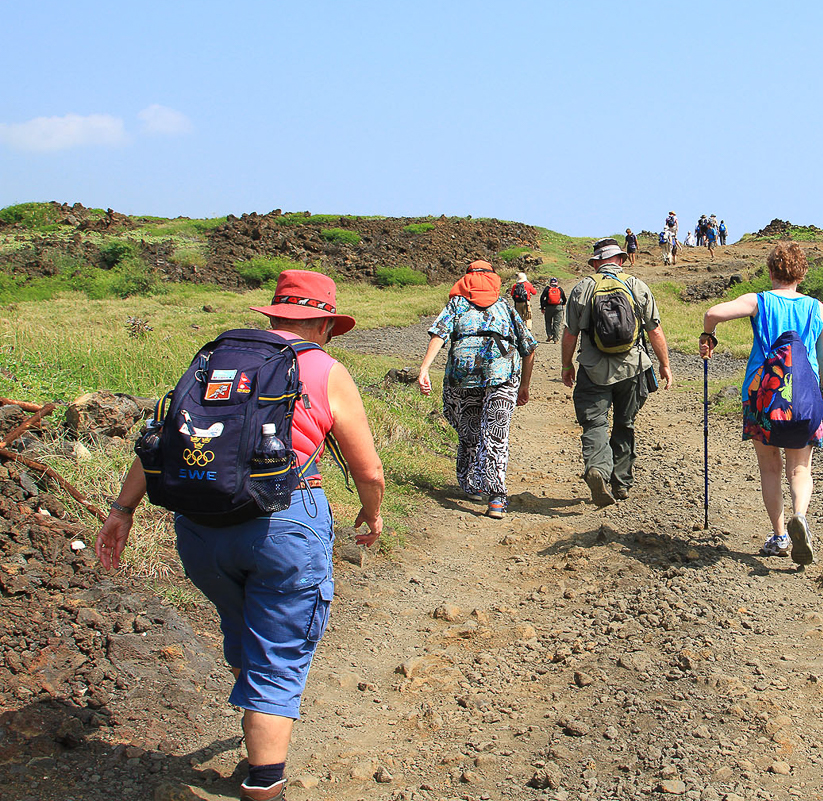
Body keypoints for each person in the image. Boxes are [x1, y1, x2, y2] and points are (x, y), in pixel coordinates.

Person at [96, 269, 385, 801]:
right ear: (322, 323)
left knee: (239, 619)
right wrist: (371, 514)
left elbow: (162, 438)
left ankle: (252, 718)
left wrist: (122, 510)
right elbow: (368, 471)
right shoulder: (322, 368)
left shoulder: (213, 359)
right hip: (283, 525)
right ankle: (263, 782)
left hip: (201, 530)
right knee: (278, 652)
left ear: (273, 313)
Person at [699, 241, 823, 566]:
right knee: (800, 467)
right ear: (801, 273)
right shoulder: (817, 308)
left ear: (771, 270)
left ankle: (779, 536)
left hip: (763, 399)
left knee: (770, 467)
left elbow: (712, 313)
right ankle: (799, 516)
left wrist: (709, 336)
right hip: (804, 402)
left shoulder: (758, 301)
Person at [419, 261, 537, 517]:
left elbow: (438, 334)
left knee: (469, 430)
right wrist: (524, 385)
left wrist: (425, 368)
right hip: (503, 376)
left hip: (463, 379)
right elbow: (529, 346)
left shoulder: (458, 305)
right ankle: (496, 497)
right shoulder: (505, 306)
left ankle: (471, 483)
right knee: (496, 434)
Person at [562, 238, 673, 504]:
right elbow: (654, 330)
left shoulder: (583, 289)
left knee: (594, 422)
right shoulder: (637, 286)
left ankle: (597, 469)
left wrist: (567, 365)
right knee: (625, 424)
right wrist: (664, 364)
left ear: (597, 263)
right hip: (633, 368)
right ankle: (621, 484)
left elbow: (569, 334)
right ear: (621, 260)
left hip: (592, 369)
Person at [539, 277, 566, 342]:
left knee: (548, 321)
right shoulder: (560, 289)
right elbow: (564, 298)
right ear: (556, 282)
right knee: (556, 323)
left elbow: (542, 298)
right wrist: (562, 304)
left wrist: (542, 307)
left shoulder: (547, 288)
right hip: (558, 307)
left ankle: (549, 335)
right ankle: (556, 339)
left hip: (548, 307)